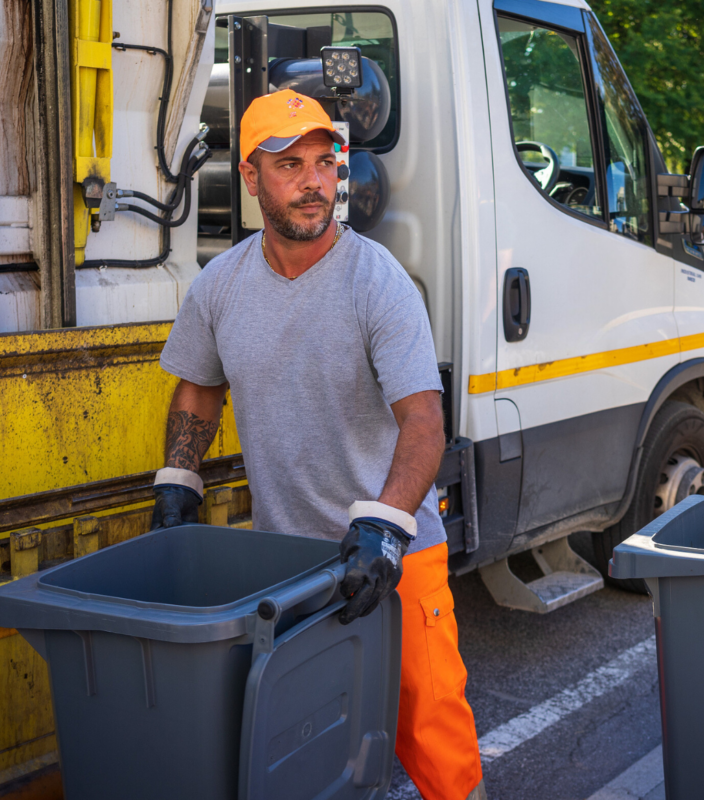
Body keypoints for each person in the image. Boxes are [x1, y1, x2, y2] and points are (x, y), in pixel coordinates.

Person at [151, 89, 485, 800]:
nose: (315, 183)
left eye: (326, 163)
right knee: (309, 749)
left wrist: (385, 526)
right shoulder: (219, 288)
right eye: (290, 165)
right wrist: (178, 480)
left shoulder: (378, 282)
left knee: (437, 743)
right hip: (291, 568)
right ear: (250, 177)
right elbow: (198, 388)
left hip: (399, 557)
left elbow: (425, 420)